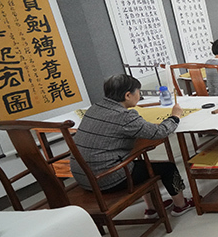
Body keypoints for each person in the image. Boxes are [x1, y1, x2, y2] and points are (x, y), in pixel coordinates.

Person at [71, 74, 193, 217]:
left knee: (141, 164)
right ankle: (181, 205)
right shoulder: (125, 117)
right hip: (107, 178)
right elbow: (160, 132)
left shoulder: (94, 108)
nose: (139, 95)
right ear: (128, 95)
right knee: (168, 168)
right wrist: (175, 116)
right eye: (138, 92)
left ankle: (152, 208)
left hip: (84, 178)